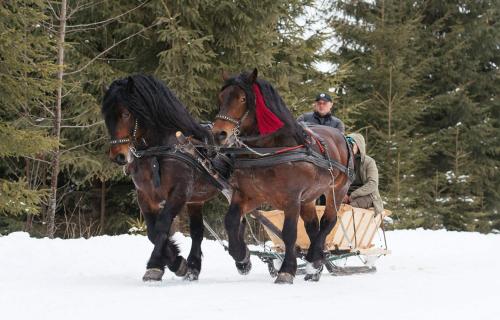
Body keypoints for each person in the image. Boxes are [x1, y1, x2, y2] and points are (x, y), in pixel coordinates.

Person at [344, 133, 384, 215]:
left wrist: (353, 195)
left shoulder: (369, 162)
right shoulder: (344, 162)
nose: (349, 147)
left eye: (351, 145)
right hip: (346, 195)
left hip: (367, 196)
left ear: (358, 146)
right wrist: (343, 194)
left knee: (351, 207)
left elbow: (373, 184)